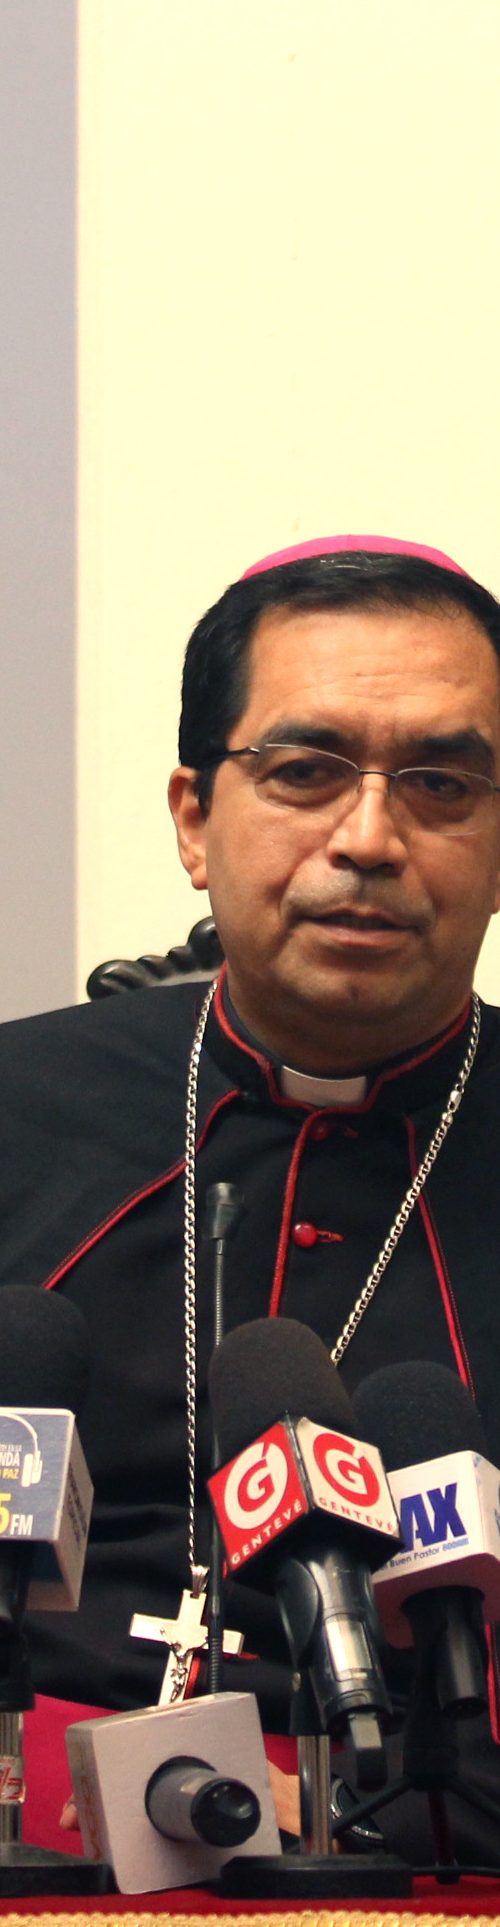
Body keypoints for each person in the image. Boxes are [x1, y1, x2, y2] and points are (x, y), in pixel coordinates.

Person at [2, 531, 500, 1865]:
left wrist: (386, 1826)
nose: (370, 839)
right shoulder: (17, 1110)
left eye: (442, 784)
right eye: (305, 771)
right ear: (193, 818)